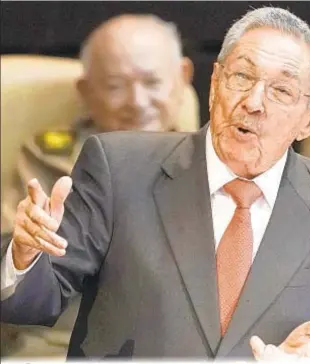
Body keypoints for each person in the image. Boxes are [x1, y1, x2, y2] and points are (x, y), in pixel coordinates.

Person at [0, 7, 310, 361]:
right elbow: (32, 303)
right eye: (242, 77)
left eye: (281, 90)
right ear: (214, 85)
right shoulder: (119, 167)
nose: (254, 102)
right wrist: (24, 257)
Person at [0, 14, 195, 358]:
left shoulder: (219, 157)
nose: (137, 101)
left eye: (152, 82)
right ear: (86, 91)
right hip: (63, 345)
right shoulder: (51, 160)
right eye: (116, 85)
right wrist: (29, 244)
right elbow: (13, 264)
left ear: (183, 77)